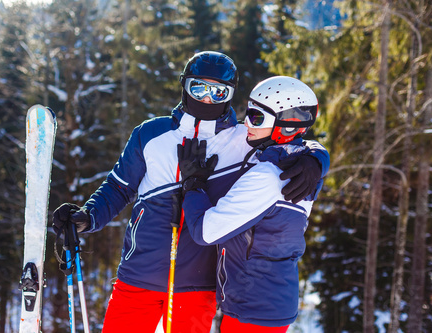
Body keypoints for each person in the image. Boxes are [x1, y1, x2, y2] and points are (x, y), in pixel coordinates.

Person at [52, 52, 330, 333]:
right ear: (184, 86)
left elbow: (290, 141)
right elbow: (118, 187)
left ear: (230, 95)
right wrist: (89, 216)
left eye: (219, 92)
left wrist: (316, 159)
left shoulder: (243, 141)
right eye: (198, 88)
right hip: (138, 274)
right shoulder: (150, 134)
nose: (207, 99)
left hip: (198, 284)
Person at [178, 76, 326, 332]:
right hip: (268, 302)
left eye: (257, 118)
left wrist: (193, 185)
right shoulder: (298, 167)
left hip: (252, 307)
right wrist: (318, 156)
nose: (246, 122)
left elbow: (206, 232)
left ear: (286, 126)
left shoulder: (268, 177)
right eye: (248, 112)